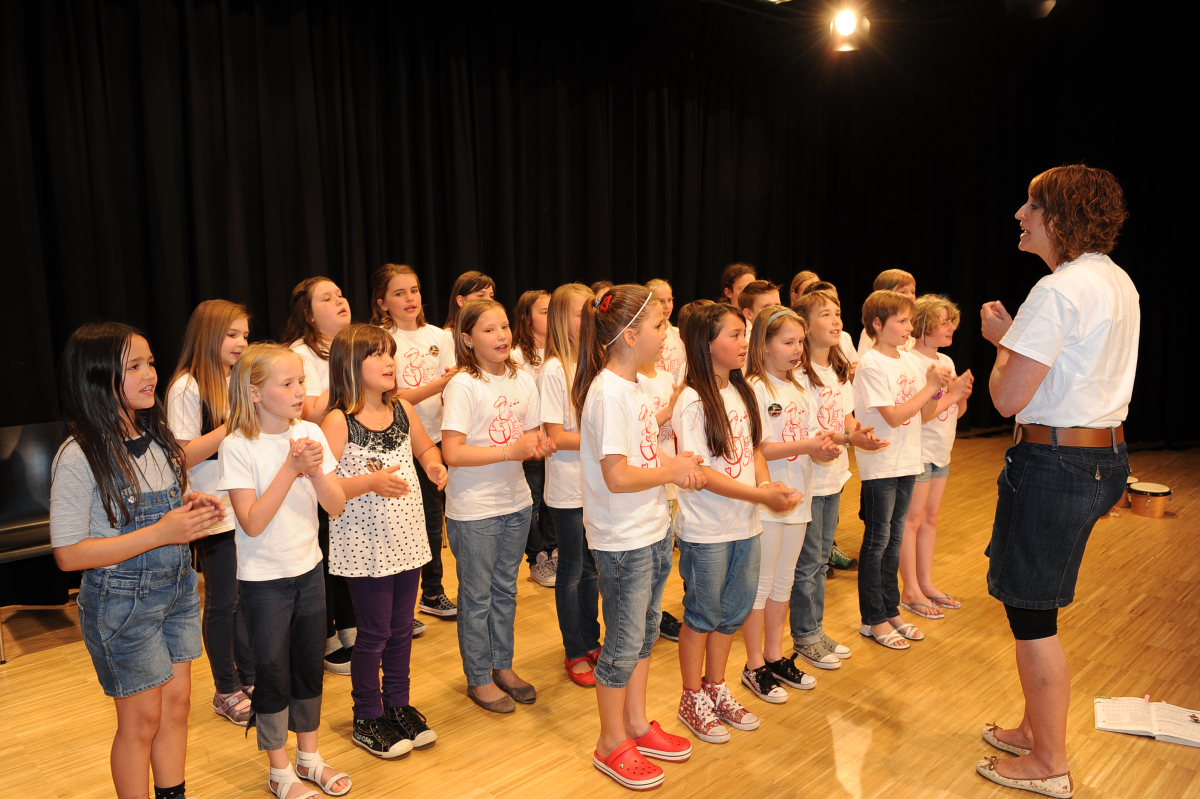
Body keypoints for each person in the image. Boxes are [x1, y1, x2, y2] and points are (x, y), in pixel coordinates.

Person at [975, 165, 1137, 798]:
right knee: (1031, 603)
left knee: (1032, 613)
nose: (1020, 214)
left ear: (1060, 216)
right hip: (1098, 456)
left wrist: (1002, 343)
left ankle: (1049, 761)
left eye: (1032, 205)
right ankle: (1033, 730)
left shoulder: (1058, 290)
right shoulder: (1115, 280)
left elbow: (1008, 398)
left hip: (1057, 462)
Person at [51, 322, 221, 799]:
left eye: (150, 363)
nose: (150, 375)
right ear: (98, 376)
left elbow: (161, 505)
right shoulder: (78, 455)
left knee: (177, 706)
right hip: (122, 605)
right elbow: (68, 553)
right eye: (134, 366)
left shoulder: (158, 437)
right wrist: (162, 532)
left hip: (178, 593)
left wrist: (190, 506)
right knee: (141, 720)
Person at [575, 284, 702, 789]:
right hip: (622, 537)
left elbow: (644, 455)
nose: (665, 334)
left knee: (646, 633)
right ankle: (610, 742)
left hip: (650, 527)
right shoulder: (608, 393)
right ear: (630, 336)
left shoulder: (638, 388)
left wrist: (673, 460)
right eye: (657, 326)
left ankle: (634, 723)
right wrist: (672, 470)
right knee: (623, 643)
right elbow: (618, 475)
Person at [217, 343, 351, 799]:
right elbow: (252, 522)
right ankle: (279, 769)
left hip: (309, 569)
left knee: (309, 665)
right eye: (288, 383)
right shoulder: (238, 445)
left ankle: (309, 756)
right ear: (255, 393)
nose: (299, 391)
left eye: (301, 382)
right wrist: (291, 469)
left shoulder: (309, 431)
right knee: (273, 672)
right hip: (263, 581)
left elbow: (335, 505)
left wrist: (314, 471)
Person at [671, 302, 799, 743]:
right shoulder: (692, 400)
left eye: (744, 334)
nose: (745, 342)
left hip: (746, 525)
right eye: (734, 335)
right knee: (702, 615)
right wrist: (761, 496)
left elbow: (754, 450)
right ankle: (692, 696)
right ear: (706, 344)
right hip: (707, 530)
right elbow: (701, 474)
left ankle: (716, 687)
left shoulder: (741, 391)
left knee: (732, 614)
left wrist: (766, 485)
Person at [322, 324, 445, 758]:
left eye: (389, 353)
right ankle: (367, 715)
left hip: (407, 540)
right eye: (377, 355)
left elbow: (425, 449)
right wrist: (370, 483)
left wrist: (433, 465)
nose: (389, 361)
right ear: (350, 366)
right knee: (373, 634)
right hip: (366, 547)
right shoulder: (338, 420)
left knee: (400, 630)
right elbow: (324, 486)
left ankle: (397, 704)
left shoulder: (403, 408)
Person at [441, 299, 554, 712]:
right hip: (474, 508)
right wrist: (510, 451)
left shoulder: (522, 377)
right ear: (468, 339)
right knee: (477, 597)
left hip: (516, 501)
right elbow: (452, 452)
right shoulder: (463, 385)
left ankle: (502, 666)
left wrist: (539, 445)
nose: (501, 336)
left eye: (504, 327)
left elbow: (531, 435)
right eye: (489, 330)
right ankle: (478, 677)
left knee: (506, 591)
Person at [740, 306, 840, 702]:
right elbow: (759, 447)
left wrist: (825, 448)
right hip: (768, 501)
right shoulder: (755, 387)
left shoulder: (799, 387)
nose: (797, 349)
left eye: (800, 341)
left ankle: (774, 654)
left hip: (800, 497)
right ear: (763, 345)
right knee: (761, 586)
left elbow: (811, 439)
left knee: (783, 582)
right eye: (788, 342)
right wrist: (809, 445)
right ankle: (753, 664)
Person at [166, 300, 255, 726]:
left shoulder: (238, 378)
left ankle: (249, 678)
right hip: (211, 508)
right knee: (224, 600)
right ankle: (226, 688)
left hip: (246, 504)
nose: (241, 343)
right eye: (232, 334)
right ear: (208, 335)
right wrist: (231, 425)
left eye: (245, 335)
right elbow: (182, 456)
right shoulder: (187, 386)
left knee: (246, 597)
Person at [790, 291, 887, 669]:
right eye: (825, 314)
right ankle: (805, 635)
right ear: (804, 326)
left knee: (819, 562)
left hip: (833, 477)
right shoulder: (797, 375)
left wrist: (856, 433)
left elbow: (844, 418)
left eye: (837, 313)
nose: (835, 321)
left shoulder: (837, 369)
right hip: (807, 480)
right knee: (808, 563)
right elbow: (802, 430)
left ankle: (815, 630)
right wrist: (839, 441)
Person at [853, 290, 949, 651]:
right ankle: (872, 618)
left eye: (910, 321)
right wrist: (930, 387)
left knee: (894, 541)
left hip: (909, 459)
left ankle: (890, 610)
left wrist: (939, 391)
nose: (910, 328)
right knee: (878, 541)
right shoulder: (871, 363)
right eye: (903, 321)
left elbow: (924, 413)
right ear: (878, 324)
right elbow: (893, 416)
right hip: (881, 463)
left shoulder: (909, 361)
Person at [371, 262, 458, 626]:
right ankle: (403, 603)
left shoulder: (440, 336)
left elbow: (454, 385)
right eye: (399, 293)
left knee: (436, 522)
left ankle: (433, 591)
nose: (410, 298)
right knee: (405, 522)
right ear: (382, 303)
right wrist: (439, 384)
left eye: (414, 290)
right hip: (396, 443)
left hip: (435, 438)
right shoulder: (381, 340)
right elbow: (391, 396)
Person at [283, 276, 358, 673]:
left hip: (351, 457)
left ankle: (349, 624)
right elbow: (309, 410)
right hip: (314, 463)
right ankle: (326, 633)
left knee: (346, 543)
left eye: (340, 294)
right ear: (309, 315)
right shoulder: (300, 354)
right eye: (327, 298)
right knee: (325, 549)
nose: (340, 301)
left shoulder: (353, 343)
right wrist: (347, 370)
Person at [538, 283, 601, 685]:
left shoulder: (593, 362)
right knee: (573, 569)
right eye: (582, 312)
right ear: (563, 318)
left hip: (596, 485)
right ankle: (574, 649)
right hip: (567, 487)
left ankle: (591, 639)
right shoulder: (554, 369)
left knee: (592, 568)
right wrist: (603, 439)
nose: (589, 318)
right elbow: (557, 436)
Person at [898, 295, 973, 619]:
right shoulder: (910, 362)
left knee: (930, 519)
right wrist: (953, 395)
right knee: (911, 521)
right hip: (918, 452)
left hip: (941, 452)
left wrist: (962, 395)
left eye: (951, 321)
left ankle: (926, 583)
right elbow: (922, 415)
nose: (951, 327)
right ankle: (910, 589)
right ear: (924, 326)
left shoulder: (947, 361)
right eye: (943, 322)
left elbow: (954, 412)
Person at [512, 288, 558, 588]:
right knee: (532, 500)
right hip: (529, 441)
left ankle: (554, 552)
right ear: (527, 318)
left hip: (555, 441)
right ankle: (538, 557)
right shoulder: (516, 356)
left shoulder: (559, 351)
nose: (551, 316)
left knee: (551, 499)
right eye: (544, 311)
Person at [856, 269, 917, 358]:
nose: (910, 296)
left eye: (913, 292)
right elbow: (864, 358)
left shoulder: (912, 325)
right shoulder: (874, 331)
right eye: (903, 292)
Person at [646, 278, 686, 384]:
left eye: (669, 300)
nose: (667, 306)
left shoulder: (679, 334)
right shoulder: (645, 337)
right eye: (661, 301)